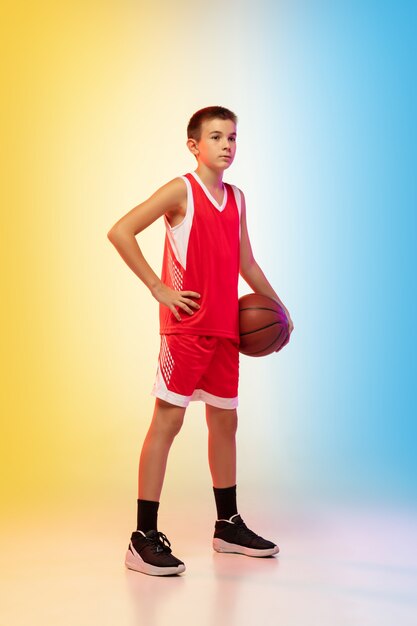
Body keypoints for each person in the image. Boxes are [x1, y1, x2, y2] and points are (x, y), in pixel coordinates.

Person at [107, 106, 294, 577]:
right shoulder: (180, 191)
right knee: (167, 423)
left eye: (233, 137)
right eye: (216, 137)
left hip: (226, 330)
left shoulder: (237, 198)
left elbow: (246, 265)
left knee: (225, 425)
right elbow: (120, 230)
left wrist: (280, 309)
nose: (227, 145)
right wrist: (159, 287)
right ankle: (141, 536)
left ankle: (227, 524)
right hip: (186, 329)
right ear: (195, 145)